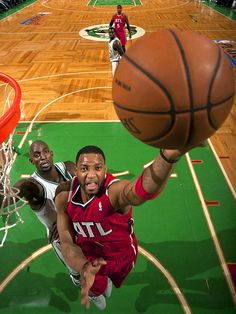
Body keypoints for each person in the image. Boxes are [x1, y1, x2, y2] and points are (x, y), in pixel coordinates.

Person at [55, 145, 190, 310]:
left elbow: (142, 190)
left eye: (97, 168)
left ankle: (106, 281)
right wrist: (84, 267)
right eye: (84, 169)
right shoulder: (63, 196)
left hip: (121, 256)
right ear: (76, 171)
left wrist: (167, 157)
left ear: (105, 169)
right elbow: (67, 243)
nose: (91, 175)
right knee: (94, 288)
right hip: (90, 256)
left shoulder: (114, 192)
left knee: (109, 284)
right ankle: (96, 292)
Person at [0, 140, 81, 287]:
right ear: (32, 161)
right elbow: (4, 200)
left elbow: (90, 188)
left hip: (81, 224)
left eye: (45, 152)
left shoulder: (69, 168)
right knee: (78, 273)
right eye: (37, 155)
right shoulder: (31, 186)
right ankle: (75, 277)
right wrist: (1, 169)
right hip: (62, 238)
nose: (42, 157)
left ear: (51, 154)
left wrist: (66, 218)